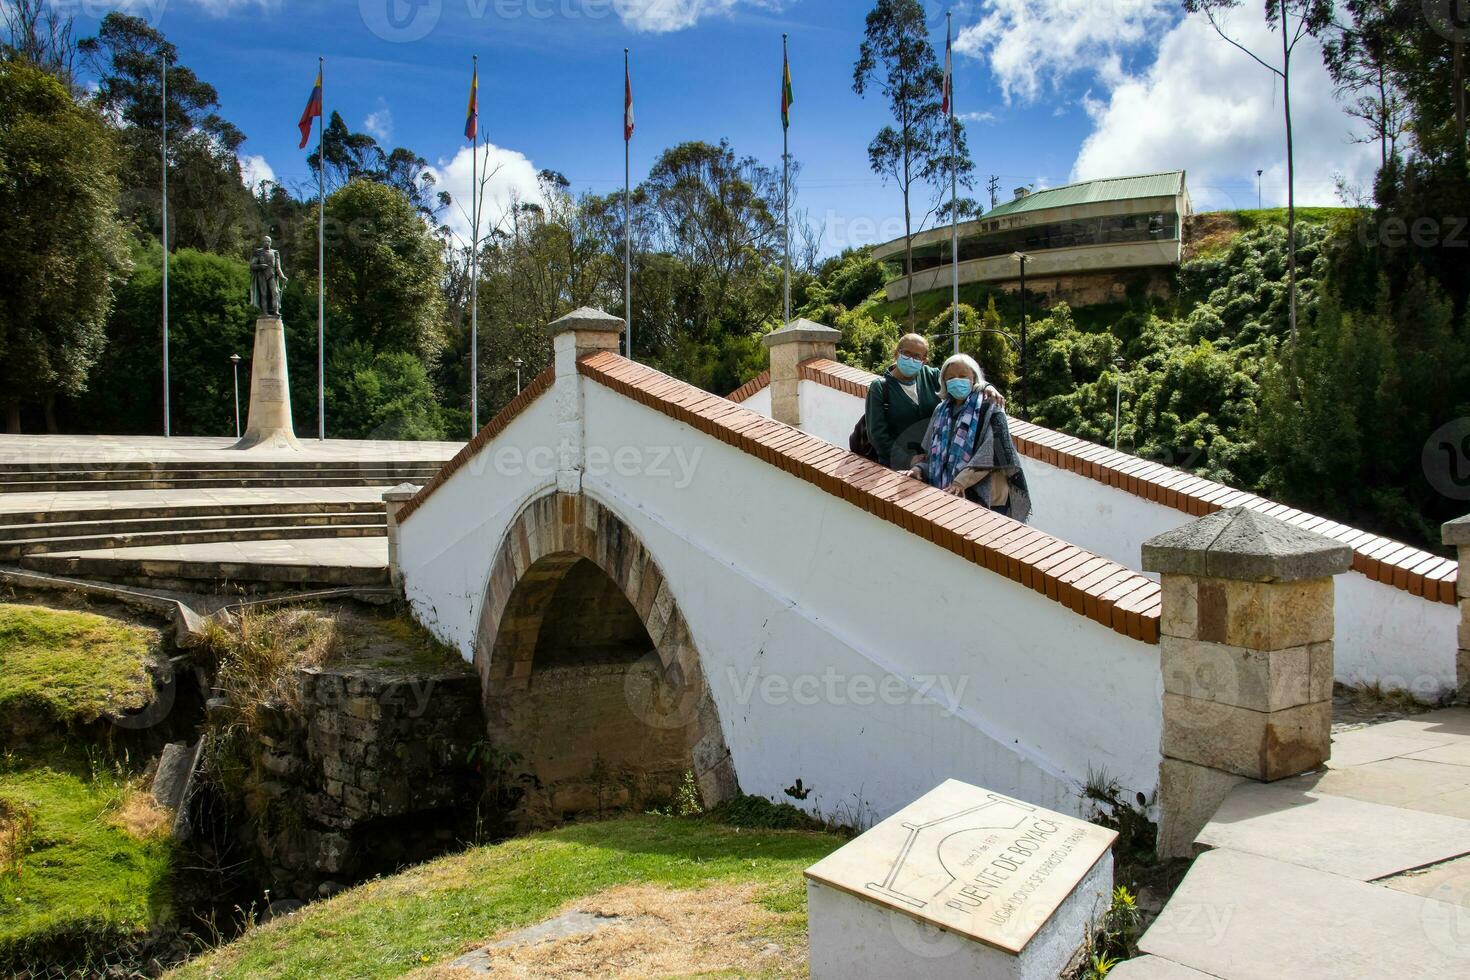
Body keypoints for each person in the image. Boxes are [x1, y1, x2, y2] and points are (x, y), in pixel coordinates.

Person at [908, 353, 1032, 523]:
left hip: (985, 498)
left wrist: (960, 483)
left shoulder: (990, 407)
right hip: (948, 493)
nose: (956, 380)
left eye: (962, 376)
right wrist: (920, 469)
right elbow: (934, 454)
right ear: (944, 381)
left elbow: (992, 454)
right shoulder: (941, 410)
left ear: (973, 377)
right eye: (950, 377)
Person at [865, 334, 1004, 471]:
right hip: (896, 467)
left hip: (931, 463)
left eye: (917, 356)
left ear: (924, 360)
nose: (911, 359)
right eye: (906, 353)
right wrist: (908, 459)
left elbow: (960, 379)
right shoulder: (880, 388)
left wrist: (987, 387)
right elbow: (877, 435)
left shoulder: (930, 376)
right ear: (896, 353)